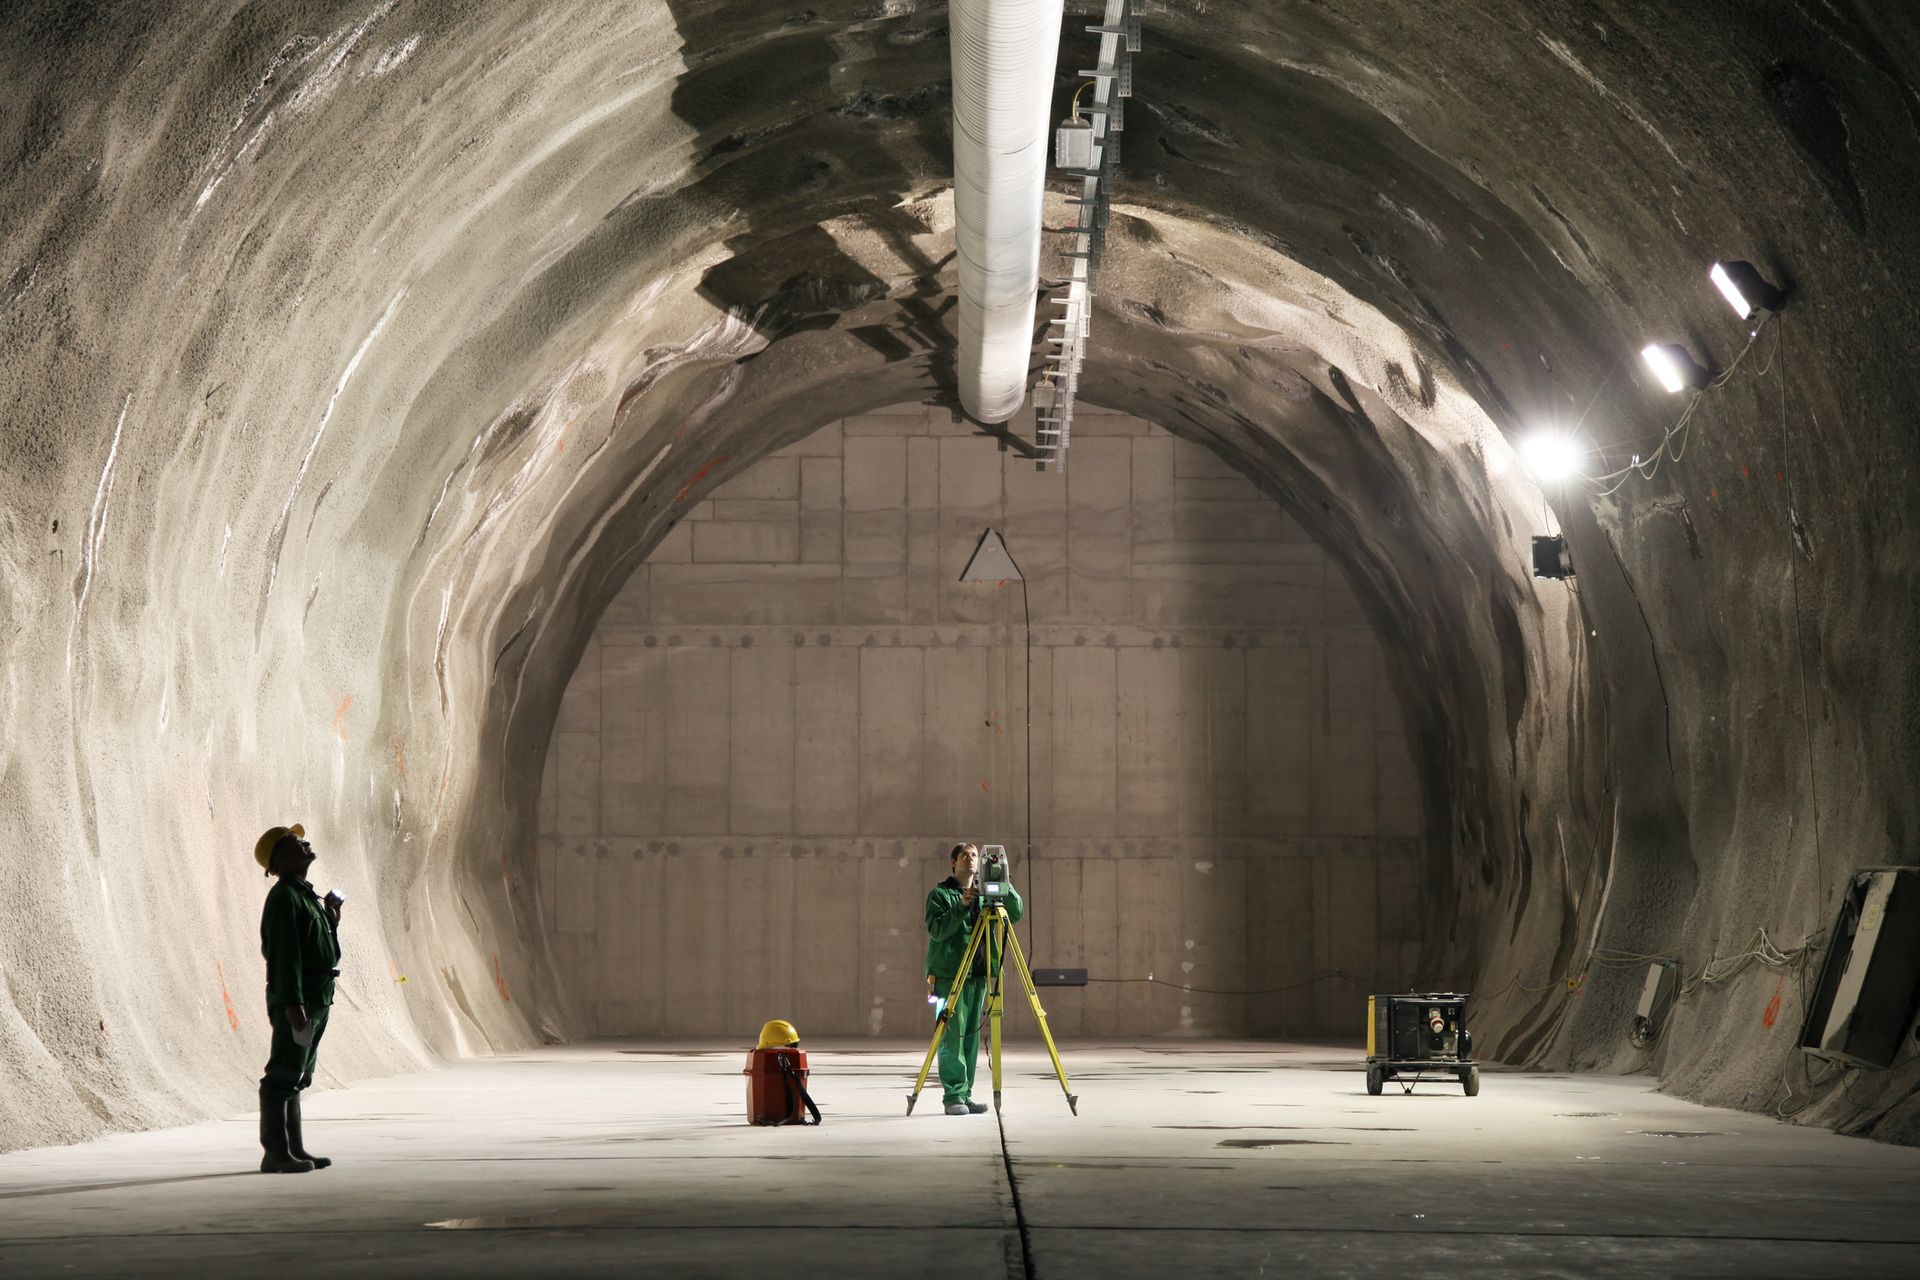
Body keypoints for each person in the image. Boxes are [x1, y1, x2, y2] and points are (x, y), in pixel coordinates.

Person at [254, 823, 343, 1173]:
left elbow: (319, 948)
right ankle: (274, 1153)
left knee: (299, 1075)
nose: (306, 844)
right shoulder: (284, 898)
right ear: (282, 857)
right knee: (283, 1074)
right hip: (301, 999)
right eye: (297, 842)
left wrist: (332, 920)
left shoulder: (305, 895)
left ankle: (295, 1149)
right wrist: (293, 1004)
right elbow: (284, 955)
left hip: (316, 997)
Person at [924, 842, 1023, 1116]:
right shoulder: (940, 894)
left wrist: (1004, 882)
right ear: (953, 862)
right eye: (965, 855)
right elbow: (937, 930)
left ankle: (964, 1094)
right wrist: (960, 905)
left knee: (969, 1037)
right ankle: (953, 1096)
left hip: (977, 973)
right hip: (949, 976)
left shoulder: (984, 896)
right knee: (952, 1037)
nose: (970, 859)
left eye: (974, 855)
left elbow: (1014, 913)